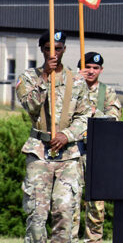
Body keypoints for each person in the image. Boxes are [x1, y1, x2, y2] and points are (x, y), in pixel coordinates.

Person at [15, 30, 90, 243]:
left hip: (68, 155)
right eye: (49, 49)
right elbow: (30, 105)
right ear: (42, 50)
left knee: (65, 212)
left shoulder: (76, 80)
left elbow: (85, 116)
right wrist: (44, 78)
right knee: (37, 214)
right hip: (39, 151)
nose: (53, 53)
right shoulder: (28, 77)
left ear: (64, 49)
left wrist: (67, 135)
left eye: (58, 49)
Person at [72, 52, 122, 243]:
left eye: (95, 68)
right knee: (71, 201)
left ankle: (93, 240)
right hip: (73, 152)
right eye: (87, 67)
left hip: (95, 153)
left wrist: (94, 111)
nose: (91, 71)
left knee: (96, 205)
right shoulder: (72, 89)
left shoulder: (106, 93)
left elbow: (114, 117)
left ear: (101, 70)